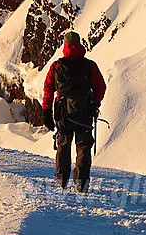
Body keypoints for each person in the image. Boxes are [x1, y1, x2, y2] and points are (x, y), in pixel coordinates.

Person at [42, 30, 106, 192]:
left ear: (65, 46)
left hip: (63, 113)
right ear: (80, 45)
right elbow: (100, 87)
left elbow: (48, 88)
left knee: (63, 144)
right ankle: (82, 182)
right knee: (83, 146)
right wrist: (95, 103)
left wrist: (46, 111)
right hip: (84, 112)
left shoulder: (57, 66)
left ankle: (61, 179)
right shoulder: (89, 66)